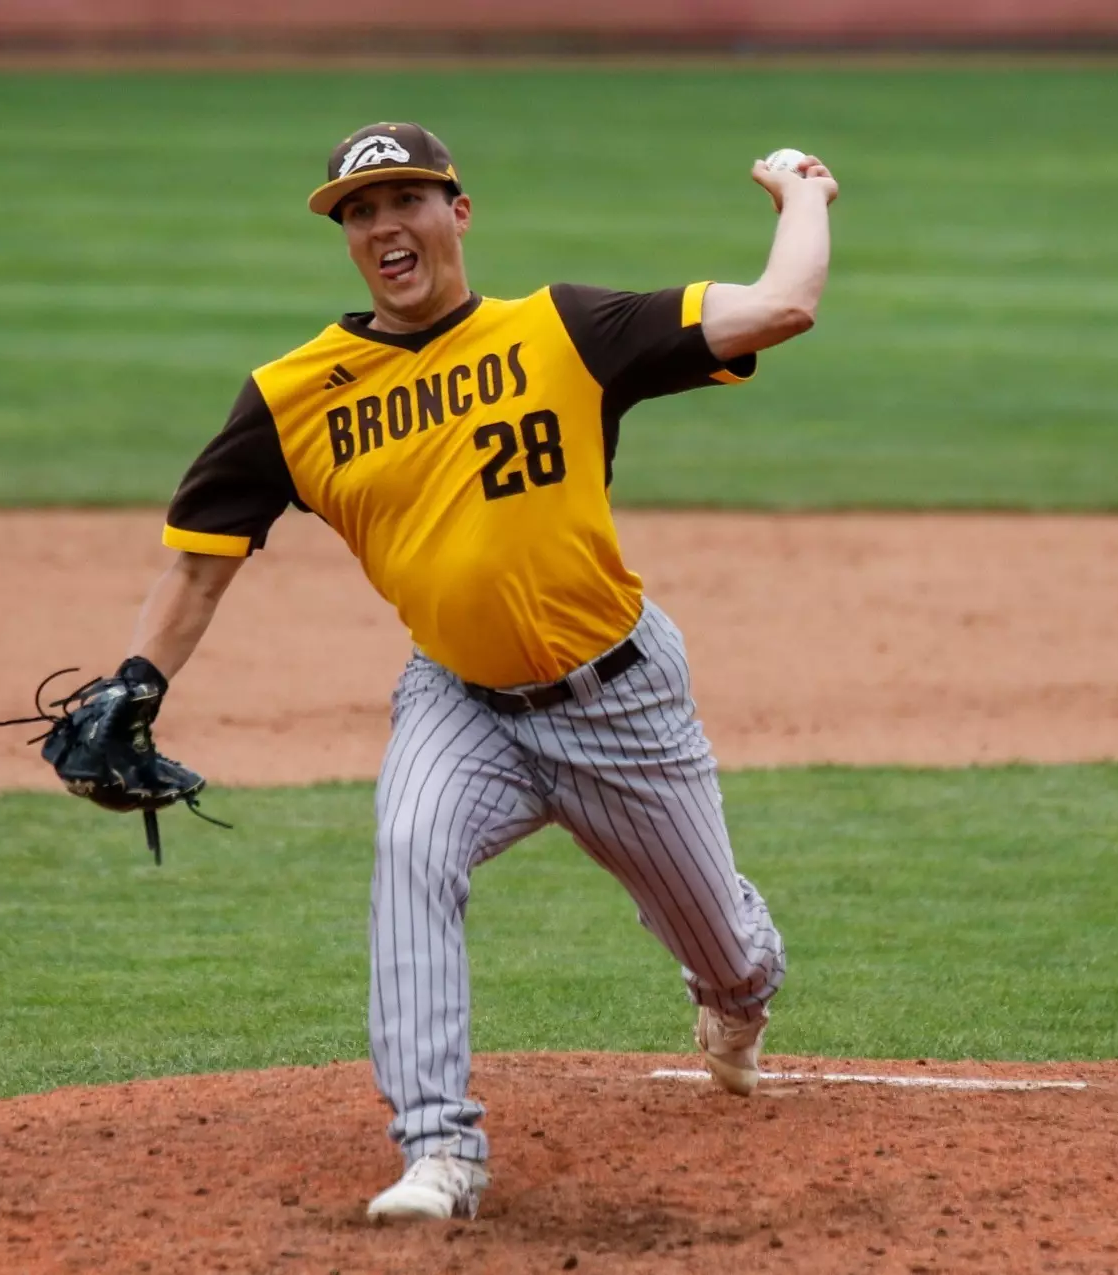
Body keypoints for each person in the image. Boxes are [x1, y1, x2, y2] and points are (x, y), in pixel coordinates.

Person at [123, 122, 835, 1221]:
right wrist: (135, 682)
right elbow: (198, 569)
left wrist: (801, 197)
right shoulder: (290, 396)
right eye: (357, 212)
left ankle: (734, 994)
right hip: (459, 704)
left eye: (403, 201)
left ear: (457, 212)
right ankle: (437, 1152)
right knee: (410, 850)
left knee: (727, 953)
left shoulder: (564, 329)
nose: (380, 227)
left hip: (622, 701)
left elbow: (779, 309)